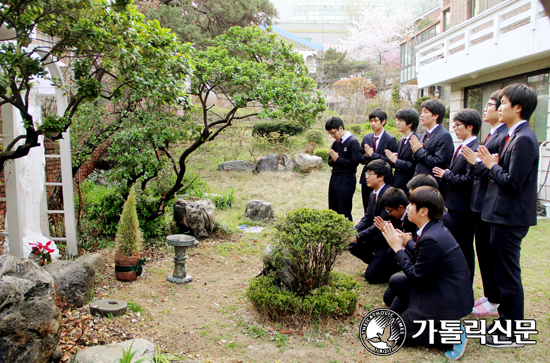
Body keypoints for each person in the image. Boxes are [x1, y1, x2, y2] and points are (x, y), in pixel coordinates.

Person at [477, 83, 539, 348]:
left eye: (503, 103)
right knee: (502, 273)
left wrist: (492, 166)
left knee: (508, 275)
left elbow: (513, 183)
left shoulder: (524, 138)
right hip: (501, 215)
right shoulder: (514, 135)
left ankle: (515, 333)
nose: (499, 107)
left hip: (511, 217)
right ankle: (505, 322)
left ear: (518, 107)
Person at [381, 186, 473, 360]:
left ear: (423, 211)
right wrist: (407, 242)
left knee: (398, 334)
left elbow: (417, 277)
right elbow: (425, 257)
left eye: (411, 204)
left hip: (444, 298)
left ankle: (451, 336)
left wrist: (397, 248)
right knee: (396, 283)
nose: (407, 207)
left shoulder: (432, 237)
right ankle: (423, 318)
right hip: (440, 287)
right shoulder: (433, 228)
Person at [462, 90, 508, 316]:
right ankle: (491, 295)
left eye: (490, 105)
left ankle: (496, 298)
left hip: (489, 203)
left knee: (489, 253)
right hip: (479, 201)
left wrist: (475, 163)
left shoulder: (504, 136)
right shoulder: (492, 134)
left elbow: (493, 170)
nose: (486, 108)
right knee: (482, 250)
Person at [433, 109, 481, 282]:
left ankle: (466, 283)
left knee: (464, 247)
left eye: (458, 125)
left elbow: (470, 180)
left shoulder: (475, 149)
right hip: (453, 204)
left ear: (470, 126)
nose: (454, 128)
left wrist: (446, 175)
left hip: (463, 207)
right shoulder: (461, 147)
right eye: (454, 125)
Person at [349, 160, 399, 283]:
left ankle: (393, 266)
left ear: (381, 177)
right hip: (375, 239)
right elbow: (367, 217)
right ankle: (376, 265)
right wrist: (353, 231)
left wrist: (358, 236)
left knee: (371, 277)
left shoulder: (389, 195)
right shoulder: (373, 194)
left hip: (385, 244)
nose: (366, 176)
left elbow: (379, 225)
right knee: (351, 244)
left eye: (370, 173)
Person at [410, 99, 454, 192]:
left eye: (425, 112)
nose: (421, 115)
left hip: (431, 186)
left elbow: (439, 162)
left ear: (435, 116)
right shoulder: (423, 135)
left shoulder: (444, 135)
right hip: (419, 182)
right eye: (422, 112)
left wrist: (419, 151)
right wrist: (415, 152)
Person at [359, 108, 397, 213]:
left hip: (383, 179)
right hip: (367, 177)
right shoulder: (367, 138)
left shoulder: (390, 139)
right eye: (371, 121)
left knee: (382, 207)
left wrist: (373, 155)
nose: (372, 123)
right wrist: (367, 156)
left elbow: (391, 162)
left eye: (375, 120)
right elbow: (360, 159)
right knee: (367, 207)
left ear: (383, 121)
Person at [325, 117, 362, 221]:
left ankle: (347, 235)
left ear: (340, 128)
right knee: (333, 208)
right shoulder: (336, 143)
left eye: (333, 133)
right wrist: (334, 160)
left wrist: (338, 159)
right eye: (330, 134)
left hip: (346, 179)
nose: (332, 136)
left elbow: (354, 163)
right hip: (335, 177)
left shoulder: (353, 142)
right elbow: (330, 161)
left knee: (344, 209)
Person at [385, 108, 419, 195]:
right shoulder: (400, 140)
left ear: (410, 123)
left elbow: (414, 166)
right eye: (397, 120)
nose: (397, 123)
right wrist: (392, 159)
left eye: (400, 120)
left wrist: (396, 161)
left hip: (408, 185)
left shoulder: (416, 140)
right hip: (397, 184)